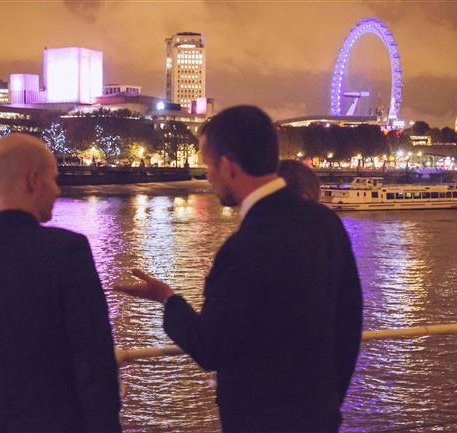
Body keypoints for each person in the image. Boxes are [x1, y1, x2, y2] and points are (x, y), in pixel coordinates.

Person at [115, 106, 362, 433]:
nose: (208, 176)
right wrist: (328, 404)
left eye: (207, 164)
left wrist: (168, 299)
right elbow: (349, 323)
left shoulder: (244, 248)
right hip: (319, 418)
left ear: (228, 165)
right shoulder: (326, 223)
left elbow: (211, 347)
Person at [0, 133, 121, 433]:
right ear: (33, 181)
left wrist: (6, 381)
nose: (57, 190)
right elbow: (95, 362)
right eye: (54, 179)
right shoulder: (68, 251)